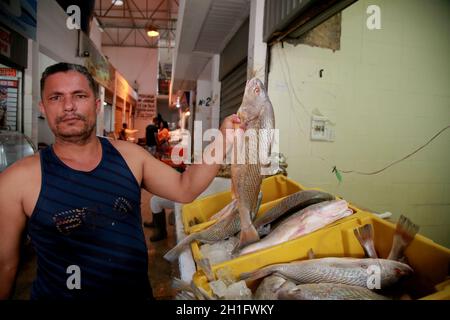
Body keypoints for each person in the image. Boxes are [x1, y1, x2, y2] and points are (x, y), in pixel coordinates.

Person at [0, 63, 242, 300]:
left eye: (79, 95)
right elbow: (5, 266)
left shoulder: (130, 156)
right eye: (56, 97)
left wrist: (223, 139)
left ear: (96, 105)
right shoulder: (17, 180)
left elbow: (185, 187)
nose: (68, 106)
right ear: (43, 107)